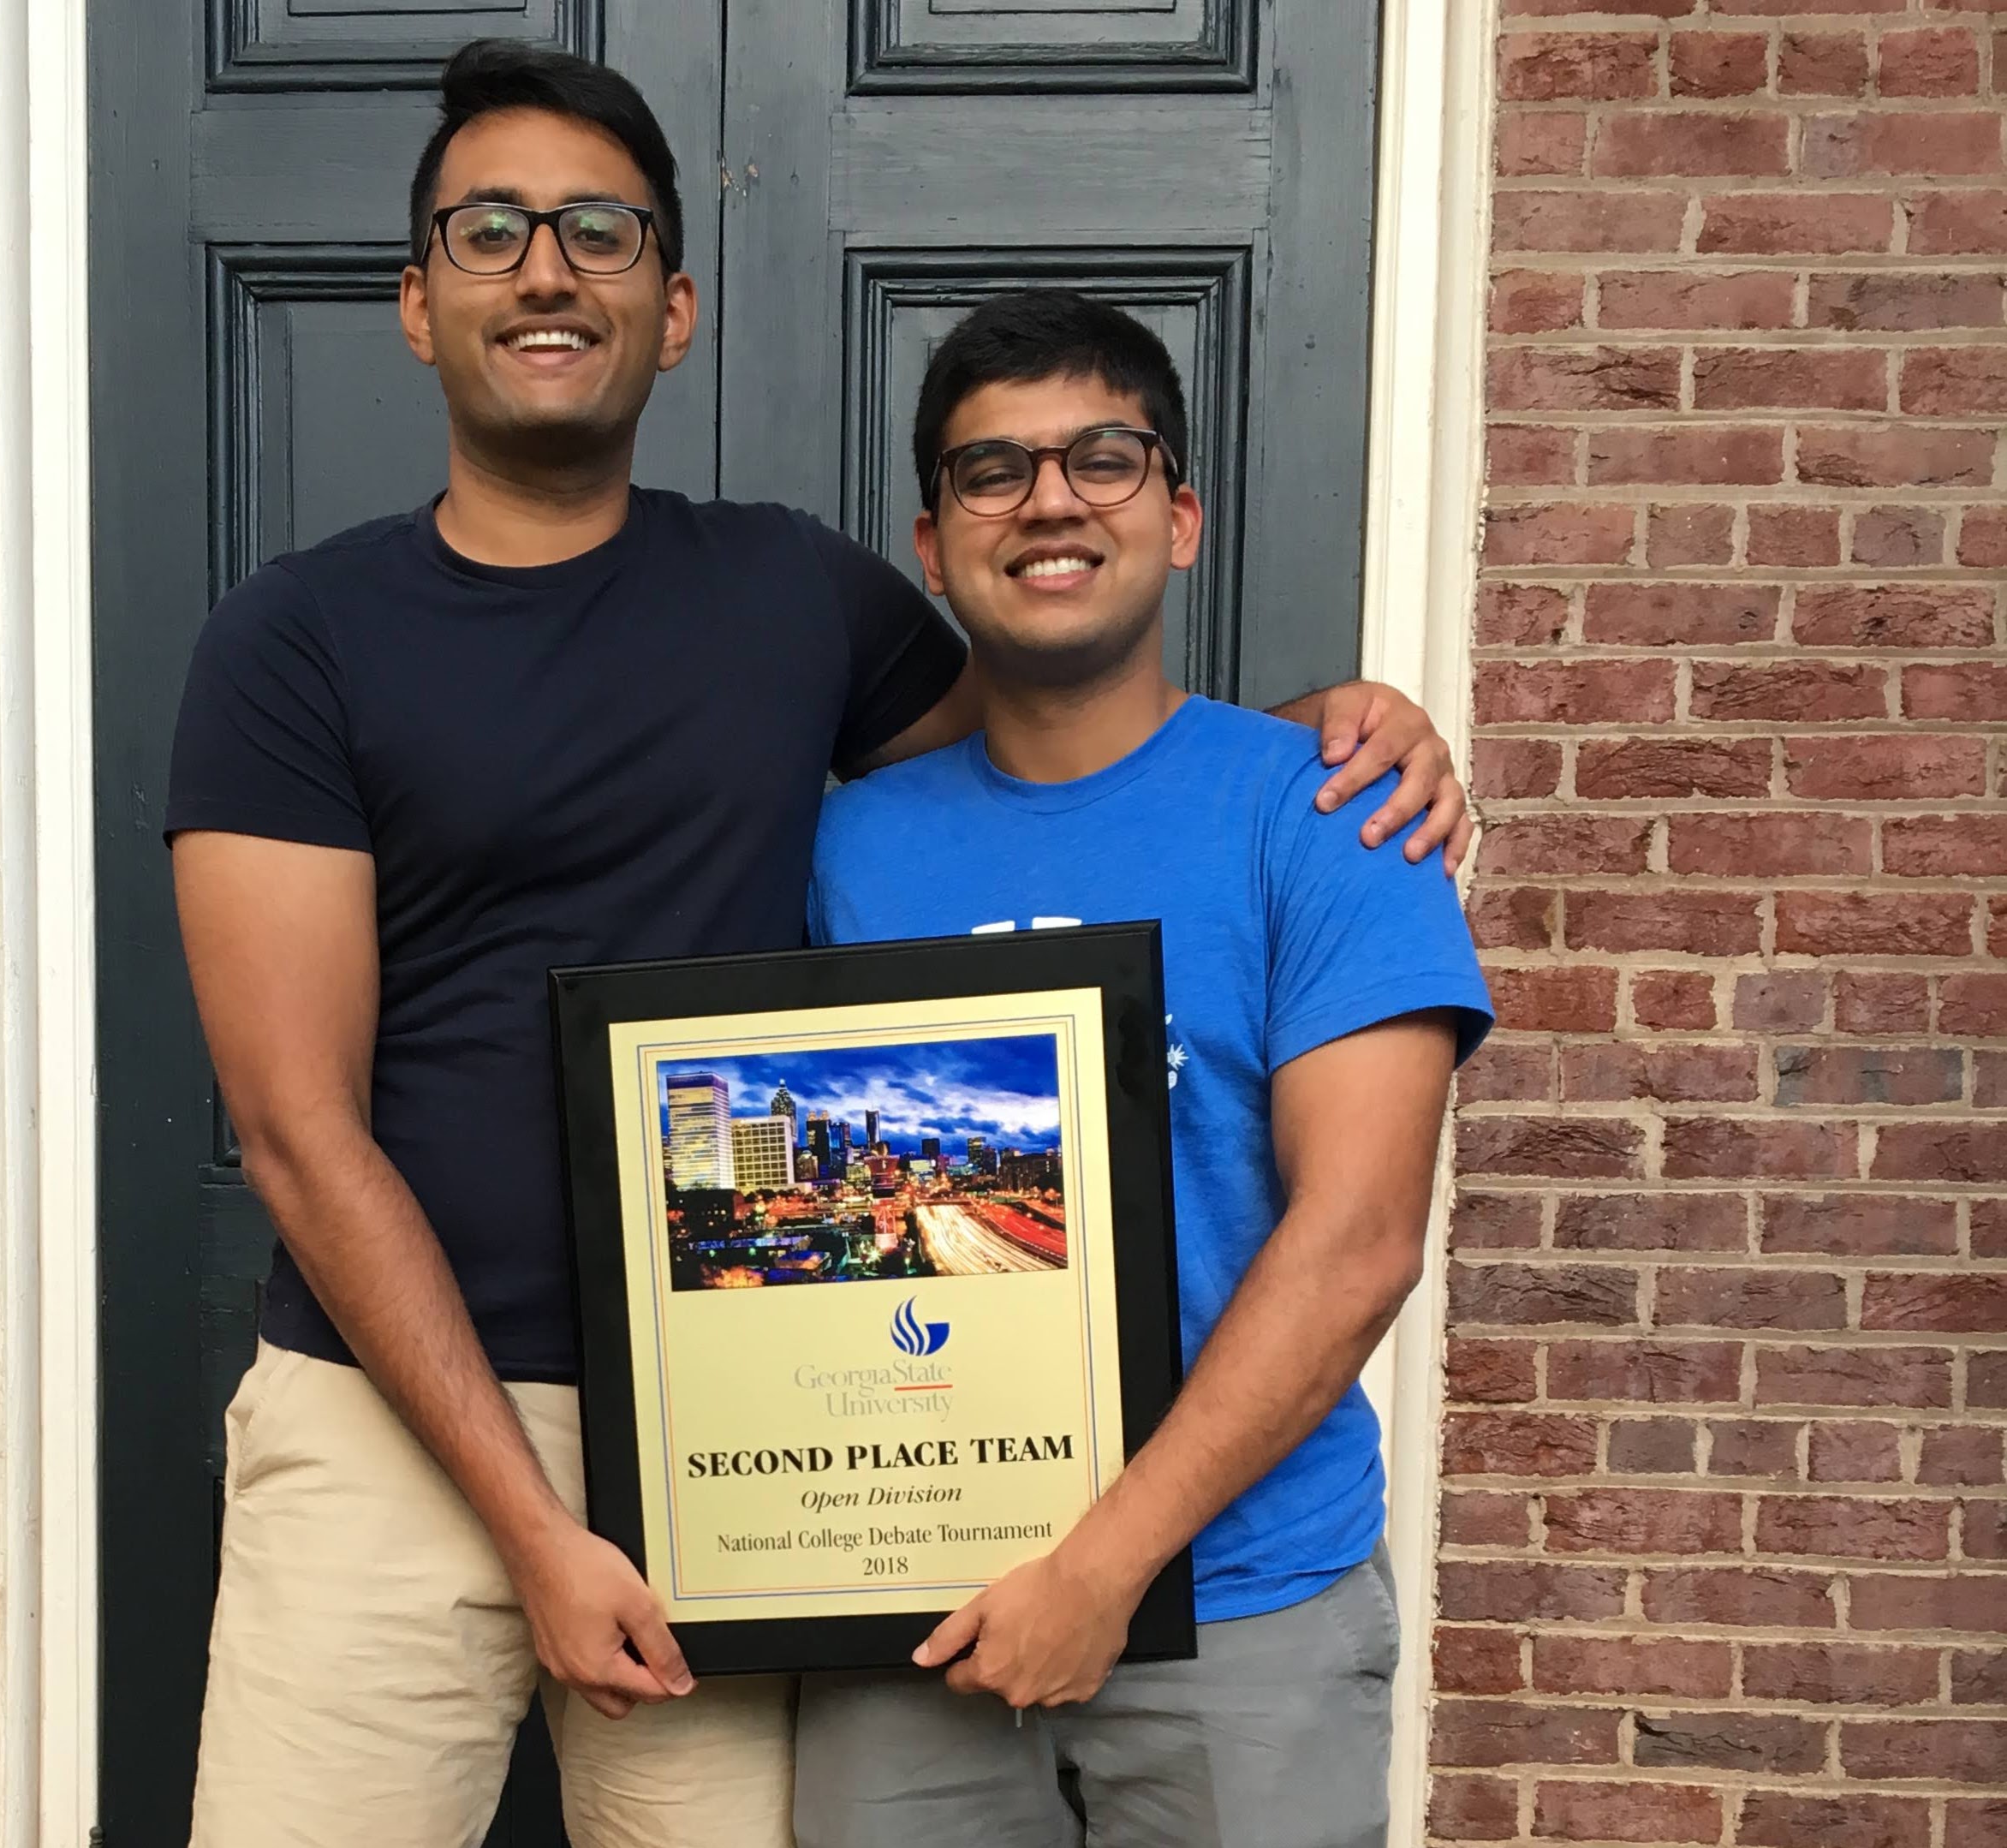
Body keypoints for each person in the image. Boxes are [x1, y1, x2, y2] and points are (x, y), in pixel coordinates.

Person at [163, 39, 1473, 1848]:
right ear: (414, 300)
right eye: (489, 229)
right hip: (387, 1422)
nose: (545, 269)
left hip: (744, 1445)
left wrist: (1318, 735)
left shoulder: (794, 594)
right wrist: (535, 1526)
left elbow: (1068, 732)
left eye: (600, 231)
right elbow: (296, 1127)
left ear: (674, 307)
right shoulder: (292, 640)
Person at [794, 292, 1494, 1848]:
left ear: (1178, 518)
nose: (1049, 500)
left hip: (1243, 1605)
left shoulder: (1336, 814)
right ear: (933, 547)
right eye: (993, 471)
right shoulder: (843, 847)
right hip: (906, 1600)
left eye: (1101, 458)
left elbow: (1359, 1238)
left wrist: (1097, 1569)